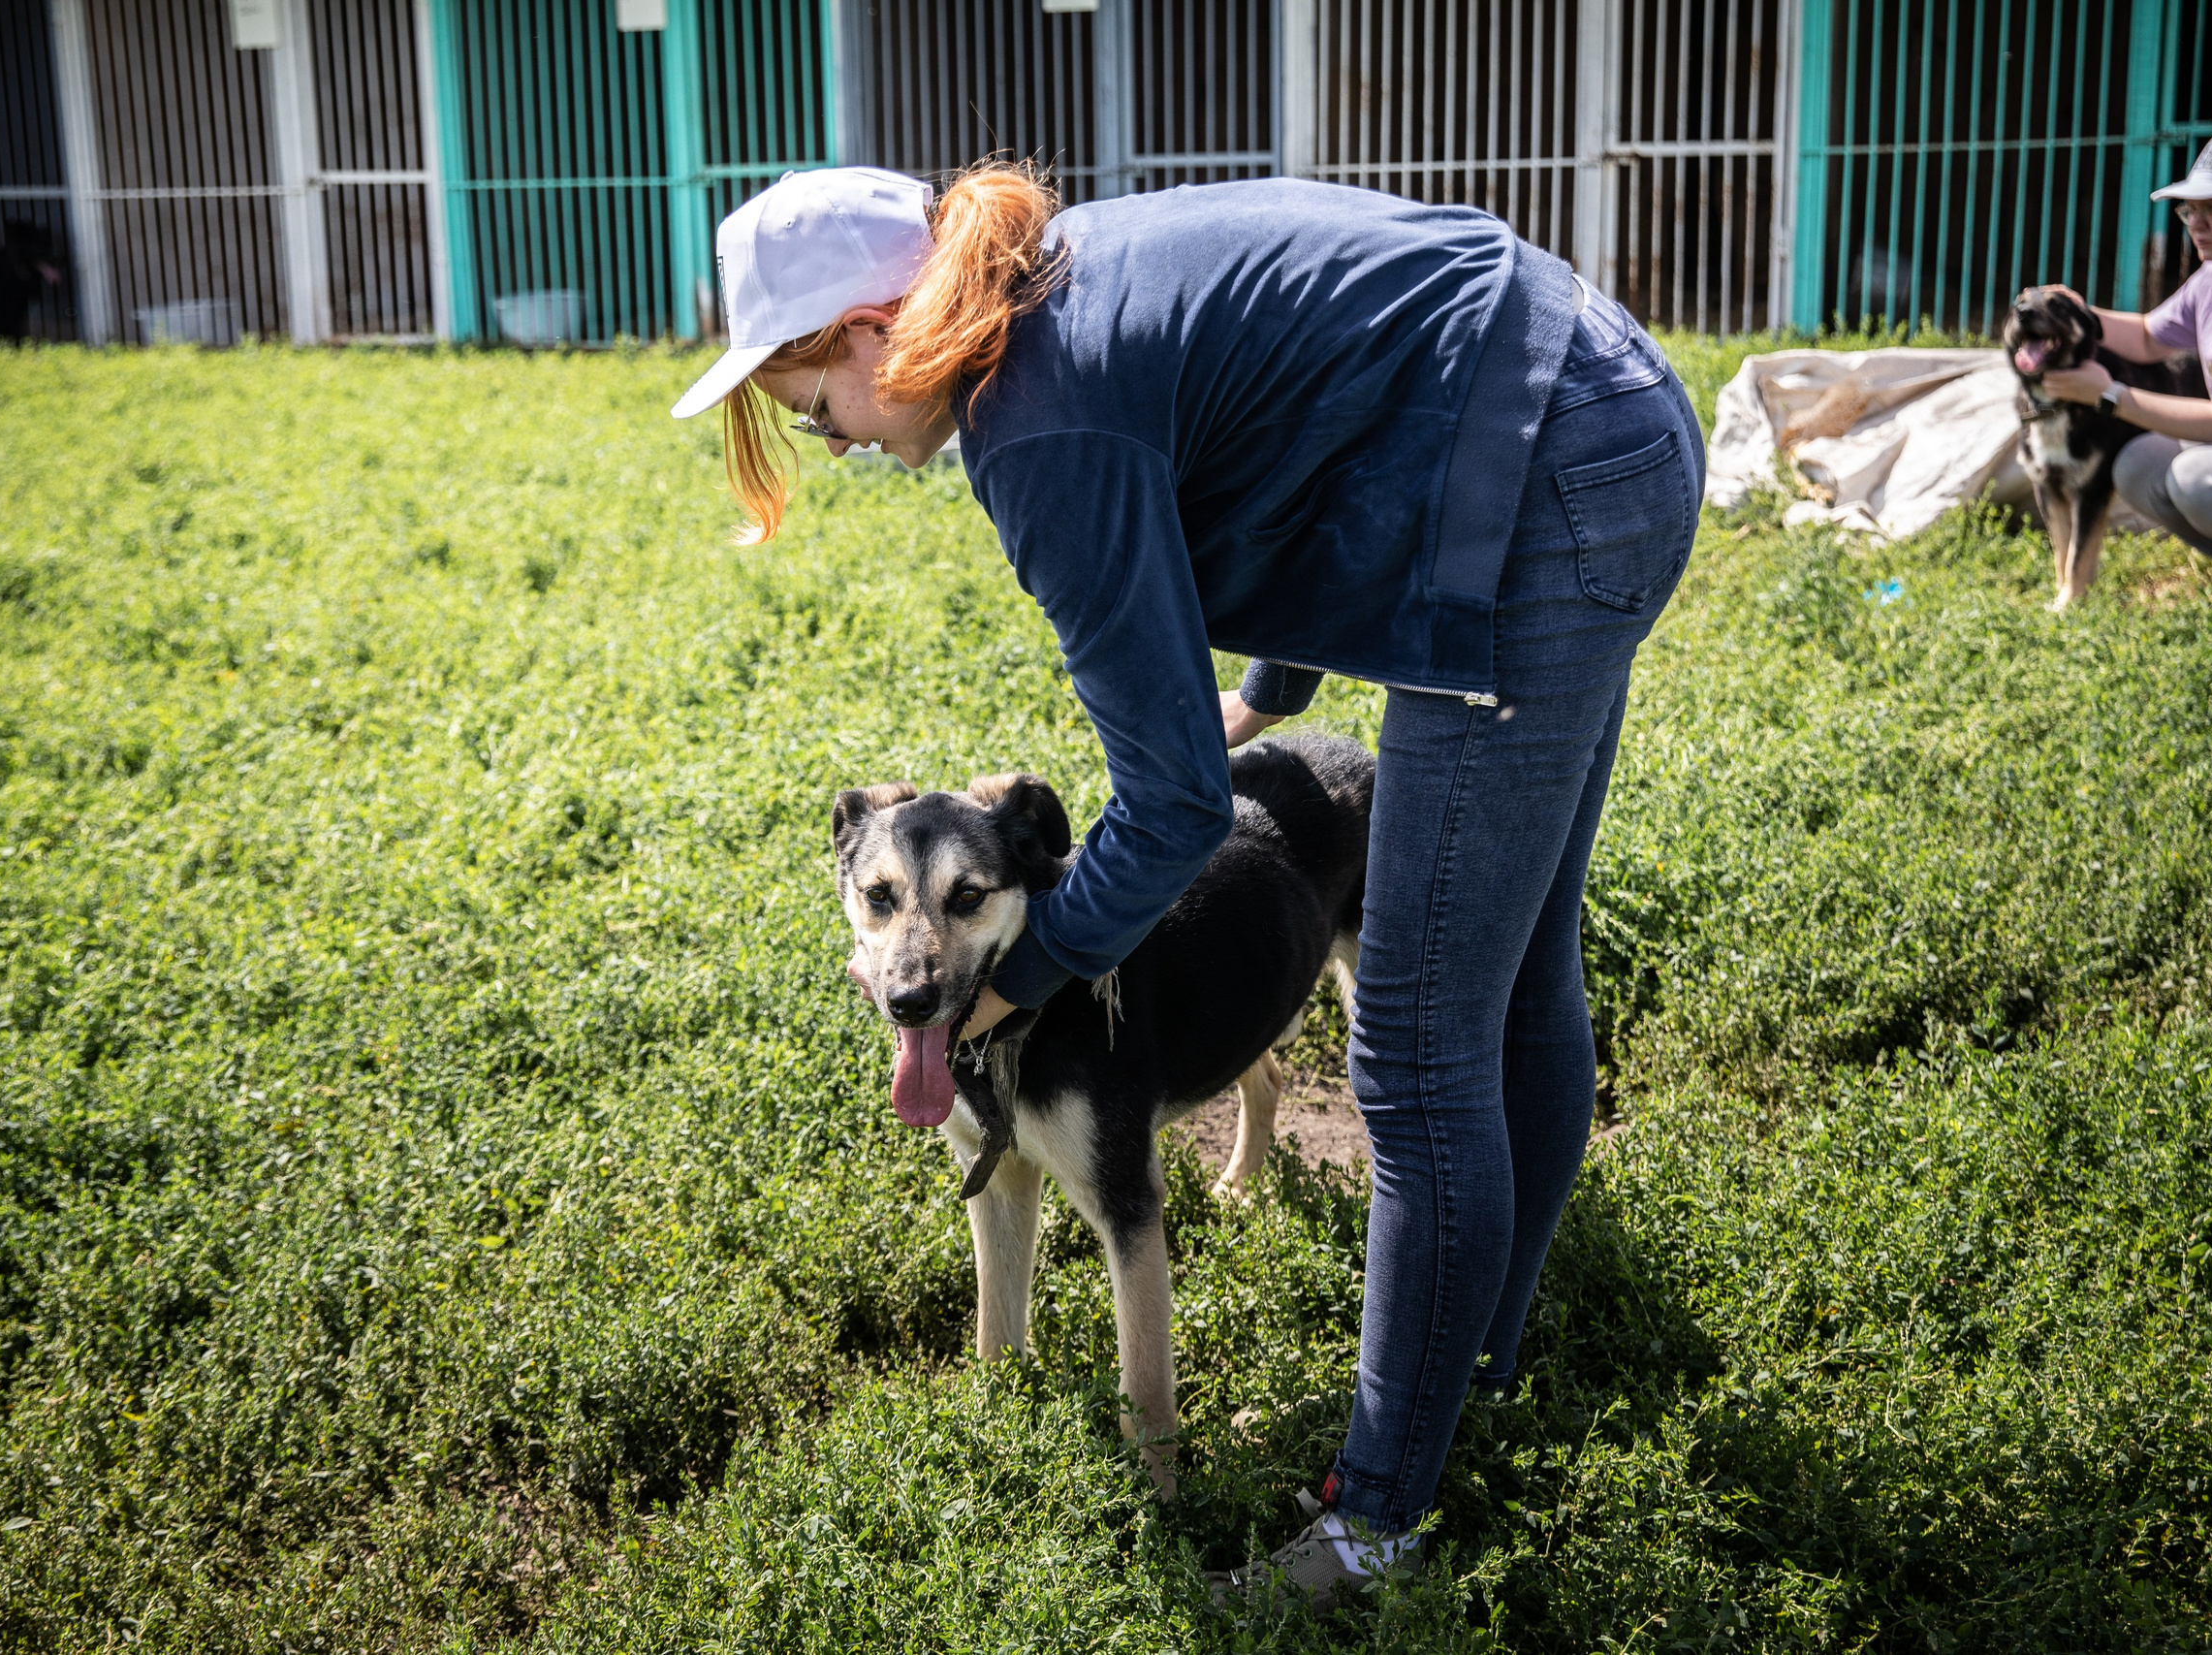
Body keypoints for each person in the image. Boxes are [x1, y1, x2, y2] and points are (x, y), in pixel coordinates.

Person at [671, 161, 1700, 1607]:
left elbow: (1168, 812)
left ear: (865, 332)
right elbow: (1317, 409)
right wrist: (1272, 688)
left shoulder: (1032, 424)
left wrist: (1017, 976)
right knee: (1515, 975)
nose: (831, 444)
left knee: (1410, 1044)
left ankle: (1377, 1526)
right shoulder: (1055, 286)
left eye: (814, 407)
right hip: (1584, 393)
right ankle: (1488, 1357)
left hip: (1546, 478)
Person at [2041, 131, 2212, 561]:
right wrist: (2072, 312)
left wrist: (2108, 396)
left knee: (2194, 477)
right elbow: (2150, 337)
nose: (2196, 224)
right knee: (2137, 463)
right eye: (2190, 210)